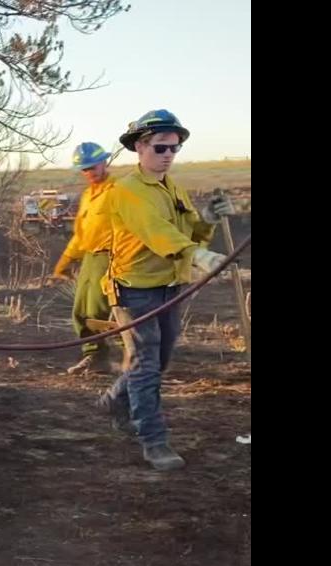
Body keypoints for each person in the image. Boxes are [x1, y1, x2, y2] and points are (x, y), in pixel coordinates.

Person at [96, 110, 234, 470]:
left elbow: (189, 231)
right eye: (160, 147)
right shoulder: (126, 191)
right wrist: (198, 255)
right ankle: (153, 441)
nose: (169, 154)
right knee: (146, 366)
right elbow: (157, 234)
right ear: (140, 147)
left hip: (171, 286)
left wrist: (208, 219)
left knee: (158, 361)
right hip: (134, 289)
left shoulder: (172, 187)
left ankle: (114, 398)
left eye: (175, 147)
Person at [53, 142, 119, 375]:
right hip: (90, 258)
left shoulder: (119, 191)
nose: (90, 172)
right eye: (85, 169)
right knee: (81, 312)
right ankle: (95, 357)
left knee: (107, 312)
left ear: (104, 162)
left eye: (93, 166)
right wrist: (65, 261)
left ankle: (135, 361)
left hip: (114, 257)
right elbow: (81, 235)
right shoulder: (88, 195)